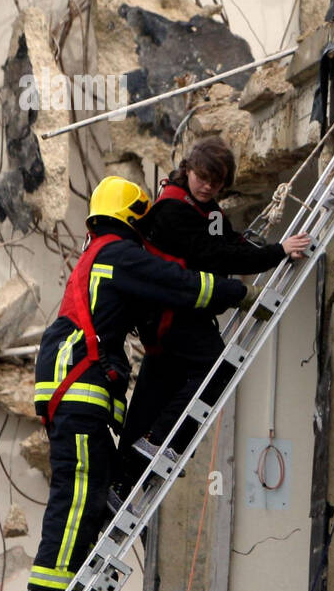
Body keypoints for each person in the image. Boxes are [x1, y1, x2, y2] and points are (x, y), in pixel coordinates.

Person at [19, 176, 254, 591]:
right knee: (81, 486)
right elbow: (180, 283)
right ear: (133, 218)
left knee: (96, 481)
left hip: (70, 386)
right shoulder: (119, 254)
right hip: (79, 384)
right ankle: (48, 589)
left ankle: (61, 577)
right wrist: (236, 291)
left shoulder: (98, 255)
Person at [113, 137, 310, 501]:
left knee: (152, 399)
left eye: (216, 183)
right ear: (188, 170)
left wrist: (265, 250)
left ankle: (121, 482)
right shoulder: (172, 211)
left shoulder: (205, 209)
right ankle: (158, 442)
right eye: (202, 178)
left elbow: (228, 242)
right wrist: (276, 252)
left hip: (175, 317)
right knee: (218, 369)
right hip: (173, 316)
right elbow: (217, 256)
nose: (207, 187)